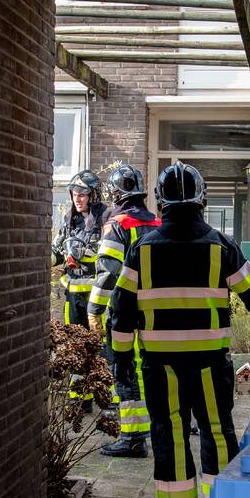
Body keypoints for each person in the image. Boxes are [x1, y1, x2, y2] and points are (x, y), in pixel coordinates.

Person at [108, 162, 250, 498]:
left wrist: (122, 363)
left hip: (161, 366)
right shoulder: (221, 245)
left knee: (169, 434)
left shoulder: (141, 250)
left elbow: (121, 315)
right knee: (218, 432)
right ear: (202, 200)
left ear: (161, 201)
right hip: (210, 364)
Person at [86, 164, 162, 458]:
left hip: (124, 313)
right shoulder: (157, 222)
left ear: (116, 195)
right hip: (155, 312)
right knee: (151, 371)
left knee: (125, 370)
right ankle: (154, 430)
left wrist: (95, 308)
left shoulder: (117, 224)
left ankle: (131, 438)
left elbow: (108, 271)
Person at [52, 170, 109, 327]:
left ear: (93, 196)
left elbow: (110, 256)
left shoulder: (106, 219)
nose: (77, 199)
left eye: (82, 195)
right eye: (74, 194)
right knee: (75, 340)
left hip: (97, 295)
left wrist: (84, 253)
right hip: (73, 292)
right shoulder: (69, 218)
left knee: (99, 342)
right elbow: (57, 248)